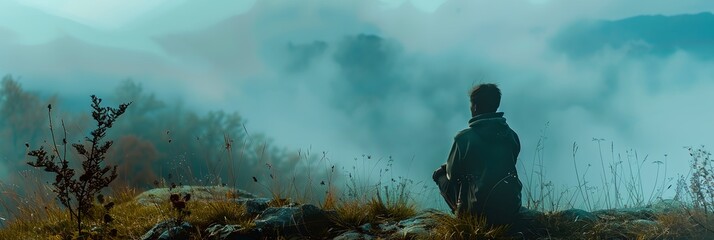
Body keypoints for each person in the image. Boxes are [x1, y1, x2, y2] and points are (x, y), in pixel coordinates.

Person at [433, 83, 522, 226]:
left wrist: (444, 168)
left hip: (478, 211)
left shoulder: (464, 138)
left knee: (440, 176)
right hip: (511, 208)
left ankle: (462, 216)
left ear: (474, 107)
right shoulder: (512, 136)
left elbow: (452, 175)